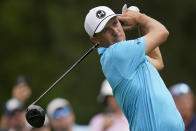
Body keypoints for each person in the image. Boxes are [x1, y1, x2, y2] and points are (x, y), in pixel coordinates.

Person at [84, 5, 184, 130]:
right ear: (95, 40)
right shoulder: (116, 54)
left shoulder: (129, 56)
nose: (115, 31)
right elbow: (162, 32)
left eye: (115, 23)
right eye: (105, 30)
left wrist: (140, 24)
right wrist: (139, 17)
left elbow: (157, 62)